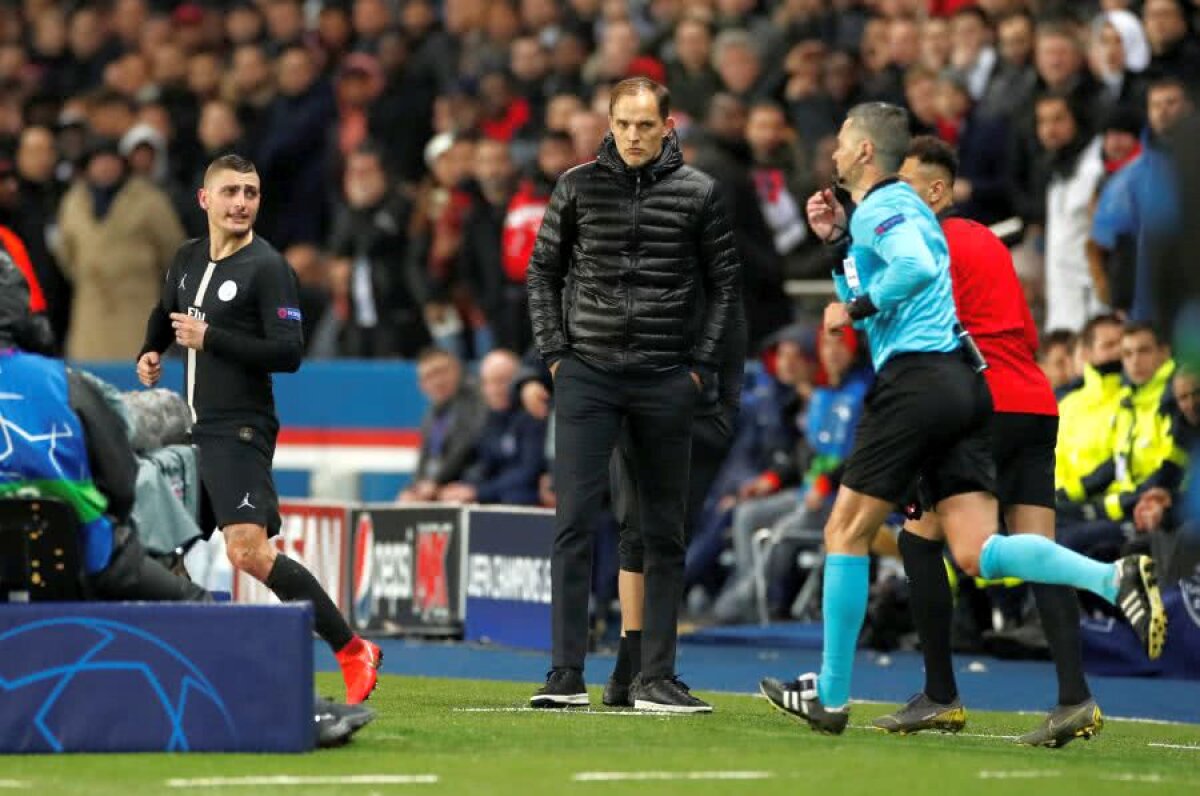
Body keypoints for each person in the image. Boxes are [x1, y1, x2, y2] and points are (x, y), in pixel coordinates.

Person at [757, 103, 1165, 736]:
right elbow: (893, 280)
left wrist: (856, 302)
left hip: (918, 384)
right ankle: (1112, 579)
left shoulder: (887, 205)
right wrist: (839, 245)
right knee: (976, 551)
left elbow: (904, 277)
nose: (831, 150)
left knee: (846, 529)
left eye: (841, 141)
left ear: (867, 152)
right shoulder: (912, 214)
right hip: (971, 386)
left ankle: (833, 697)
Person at [1, 252, 376, 749]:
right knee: (200, 613)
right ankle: (299, 712)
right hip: (84, 557)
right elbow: (121, 479)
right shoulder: (63, 382)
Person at [874, 136, 1099, 747]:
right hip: (1033, 400)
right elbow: (1025, 329)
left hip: (981, 405)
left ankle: (940, 695)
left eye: (907, 186)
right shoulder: (987, 242)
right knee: (1038, 551)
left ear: (938, 190)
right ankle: (1075, 697)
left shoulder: (926, 245)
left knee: (918, 540)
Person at [526, 77, 741, 713]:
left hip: (665, 376)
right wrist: (557, 355)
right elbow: (543, 271)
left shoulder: (700, 193)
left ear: (669, 125)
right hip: (587, 371)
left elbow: (725, 286)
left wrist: (698, 367)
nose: (635, 135)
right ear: (610, 124)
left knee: (662, 530)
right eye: (624, 124)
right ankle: (565, 674)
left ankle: (656, 678)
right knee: (573, 522)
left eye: (646, 124)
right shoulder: (577, 184)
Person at [136, 154, 382, 705]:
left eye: (250, 192)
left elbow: (288, 353)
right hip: (190, 432)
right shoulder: (186, 257)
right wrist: (151, 350)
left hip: (239, 429)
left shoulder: (267, 268)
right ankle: (174, 666)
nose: (241, 202)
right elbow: (164, 310)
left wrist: (212, 339)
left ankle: (350, 648)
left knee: (246, 551)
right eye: (230, 192)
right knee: (155, 549)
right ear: (206, 200)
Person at [602, 271, 746, 706]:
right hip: (653, 404)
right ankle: (648, 673)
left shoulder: (684, 254)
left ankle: (630, 669)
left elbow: (733, 320)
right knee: (652, 537)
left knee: (643, 537)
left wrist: (726, 409)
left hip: (673, 409)